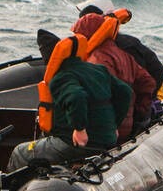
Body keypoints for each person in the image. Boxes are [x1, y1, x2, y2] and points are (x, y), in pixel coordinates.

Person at [9, 36, 133, 169]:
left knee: (19, 153)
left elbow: (76, 96)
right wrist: (115, 125)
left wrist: (80, 129)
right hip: (107, 140)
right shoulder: (98, 70)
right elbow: (126, 92)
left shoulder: (61, 77)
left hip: (75, 143)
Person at [72, 12, 155, 138]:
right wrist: (138, 111)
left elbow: (103, 95)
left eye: (77, 35)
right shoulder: (124, 55)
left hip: (107, 131)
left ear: (86, 36)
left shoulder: (97, 59)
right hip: (126, 125)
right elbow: (148, 82)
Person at [75, 0, 163, 91]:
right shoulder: (112, 43)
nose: (83, 23)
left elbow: (154, 72)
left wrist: (145, 101)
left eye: (86, 18)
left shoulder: (124, 46)